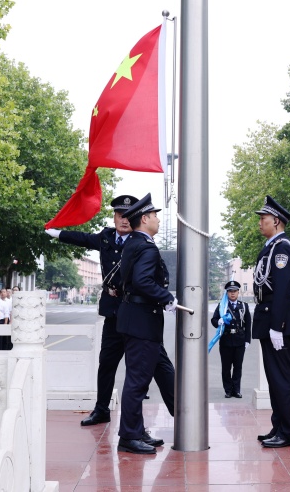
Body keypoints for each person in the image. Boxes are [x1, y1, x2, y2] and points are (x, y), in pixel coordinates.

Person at [46, 194, 147, 427]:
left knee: (143, 366)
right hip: (112, 312)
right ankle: (101, 410)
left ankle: (154, 414)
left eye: (129, 216)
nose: (124, 220)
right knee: (107, 363)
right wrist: (57, 232)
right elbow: (82, 238)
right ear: (114, 217)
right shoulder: (106, 237)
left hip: (135, 312)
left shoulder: (141, 240)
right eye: (120, 215)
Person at [114, 194, 175, 454]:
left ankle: (140, 429)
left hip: (137, 319)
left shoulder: (134, 243)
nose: (158, 220)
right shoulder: (146, 247)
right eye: (155, 216)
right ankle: (129, 436)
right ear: (145, 218)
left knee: (163, 371)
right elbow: (142, 281)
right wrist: (167, 297)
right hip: (142, 320)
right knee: (137, 381)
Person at [252, 195, 290, 449]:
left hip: (276, 318)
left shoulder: (282, 248)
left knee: (283, 378)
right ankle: (279, 426)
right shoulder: (271, 247)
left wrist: (276, 326)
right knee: (274, 378)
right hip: (268, 314)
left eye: (264, 218)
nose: (260, 223)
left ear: (277, 221)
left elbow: (281, 289)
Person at [211, 280, 251, 398]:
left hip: (240, 341)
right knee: (226, 367)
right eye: (230, 291)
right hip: (226, 341)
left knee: (238, 367)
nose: (232, 293)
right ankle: (228, 390)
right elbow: (213, 320)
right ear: (227, 293)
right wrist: (219, 321)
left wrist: (247, 340)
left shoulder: (244, 306)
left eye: (234, 291)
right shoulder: (222, 306)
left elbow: (248, 324)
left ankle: (236, 390)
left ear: (238, 292)